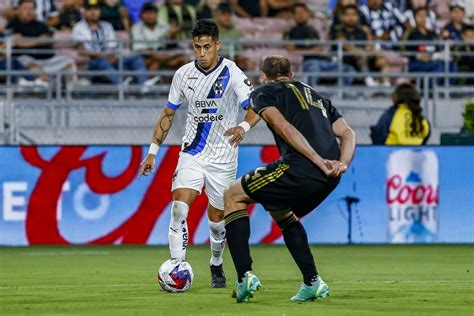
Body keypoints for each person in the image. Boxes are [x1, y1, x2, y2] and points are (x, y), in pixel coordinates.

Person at [223, 55, 356, 303]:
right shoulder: (317, 96)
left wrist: (316, 160)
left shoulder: (264, 92)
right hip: (330, 176)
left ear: (263, 76)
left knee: (232, 195)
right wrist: (342, 164)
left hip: (301, 167)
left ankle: (244, 277)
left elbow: (282, 126)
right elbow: (347, 133)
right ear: (291, 75)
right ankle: (312, 282)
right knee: (280, 211)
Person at [138, 19, 259, 289]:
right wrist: (152, 152)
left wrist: (243, 126)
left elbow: (254, 106)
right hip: (192, 153)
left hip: (224, 157)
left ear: (217, 45)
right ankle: (178, 267)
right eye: (196, 47)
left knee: (217, 220)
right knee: (179, 207)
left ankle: (216, 262)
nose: (202, 53)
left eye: (206, 47)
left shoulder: (233, 72)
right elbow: (168, 114)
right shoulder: (182, 74)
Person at [72, 1, 158, 90]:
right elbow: (82, 50)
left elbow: (112, 47)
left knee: (136, 57)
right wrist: (103, 55)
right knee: (101, 62)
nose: (93, 12)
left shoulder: (107, 26)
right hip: (92, 63)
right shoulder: (79, 27)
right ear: (84, 11)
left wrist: (112, 55)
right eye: (90, 9)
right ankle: (122, 85)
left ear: (100, 11)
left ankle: (143, 85)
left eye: (96, 9)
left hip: (111, 59)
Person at [7, 0, 76, 85]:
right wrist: (38, 40)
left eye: (31, 8)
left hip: (48, 59)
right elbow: (16, 42)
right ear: (18, 10)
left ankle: (69, 92)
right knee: (29, 64)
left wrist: (26, 40)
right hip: (26, 58)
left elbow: (47, 40)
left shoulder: (41, 25)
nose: (29, 11)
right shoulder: (12, 24)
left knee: (68, 62)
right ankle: (47, 88)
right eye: (25, 8)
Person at [286, 3, 355, 86]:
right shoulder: (292, 31)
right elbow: (290, 49)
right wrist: (312, 51)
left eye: (303, 12)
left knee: (349, 69)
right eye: (298, 12)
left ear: (308, 13)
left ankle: (335, 95)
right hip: (310, 62)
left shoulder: (314, 30)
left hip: (325, 61)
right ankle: (310, 97)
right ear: (293, 15)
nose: (301, 15)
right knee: (313, 71)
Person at [330, 5, 380, 86]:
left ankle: (385, 84)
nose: (351, 17)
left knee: (382, 57)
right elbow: (346, 46)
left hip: (364, 57)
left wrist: (368, 34)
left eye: (354, 14)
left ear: (358, 17)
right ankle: (368, 80)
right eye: (348, 14)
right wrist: (362, 52)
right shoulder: (337, 29)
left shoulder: (362, 30)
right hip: (345, 58)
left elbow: (369, 46)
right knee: (360, 55)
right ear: (342, 17)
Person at [131, 3, 186, 72]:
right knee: (151, 64)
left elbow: (170, 41)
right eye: (146, 13)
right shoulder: (136, 27)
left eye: (152, 13)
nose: (150, 15)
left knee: (181, 59)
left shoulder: (163, 25)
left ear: (157, 14)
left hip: (163, 53)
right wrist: (161, 57)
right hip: (145, 56)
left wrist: (173, 34)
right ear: (141, 15)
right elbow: (141, 49)